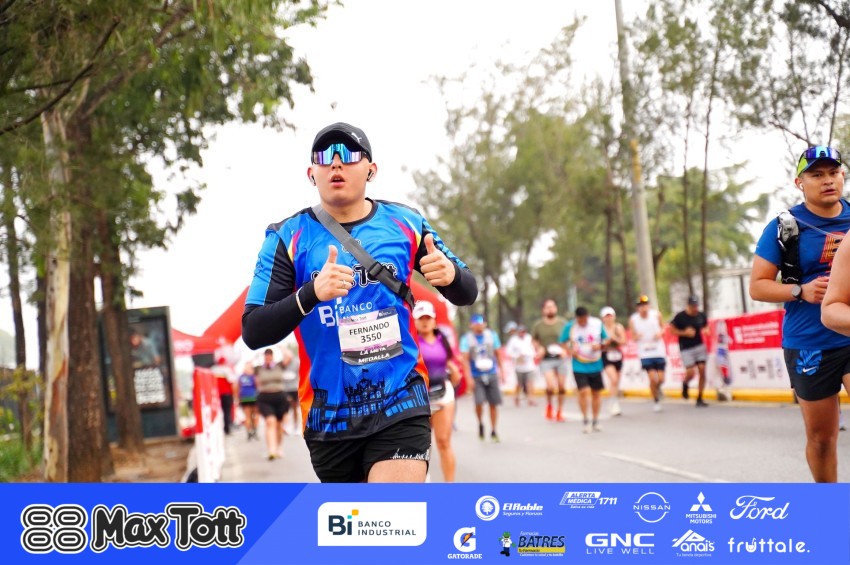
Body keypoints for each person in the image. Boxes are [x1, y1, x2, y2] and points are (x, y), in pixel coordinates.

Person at [241, 122, 478, 482]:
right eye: (324, 156)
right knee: (358, 520)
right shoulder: (286, 236)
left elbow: (468, 292)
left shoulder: (406, 222)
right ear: (311, 173)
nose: (336, 162)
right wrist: (311, 293)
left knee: (390, 511)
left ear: (371, 170)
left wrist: (452, 276)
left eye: (349, 154)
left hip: (401, 398)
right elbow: (253, 330)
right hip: (329, 415)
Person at [751, 145, 850, 482]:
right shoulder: (785, 227)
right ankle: (828, 503)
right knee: (822, 439)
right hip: (809, 342)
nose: (828, 180)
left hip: (849, 331)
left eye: (833, 173)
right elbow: (758, 286)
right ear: (799, 182)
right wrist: (800, 291)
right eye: (817, 175)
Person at [413, 300, 460, 482]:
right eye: (421, 318)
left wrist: (454, 372)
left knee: (443, 441)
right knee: (421, 445)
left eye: (428, 318)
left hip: (442, 394)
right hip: (419, 398)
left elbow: (449, 362)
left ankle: (449, 487)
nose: (425, 322)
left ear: (434, 320)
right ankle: (424, 483)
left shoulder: (442, 340)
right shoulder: (411, 342)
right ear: (415, 321)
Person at [562, 307, 607, 433]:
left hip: (595, 363)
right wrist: (570, 351)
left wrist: (600, 346)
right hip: (579, 365)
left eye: (585, 319)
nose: (582, 322)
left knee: (596, 393)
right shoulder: (570, 327)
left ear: (588, 316)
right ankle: (585, 419)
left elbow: (606, 339)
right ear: (576, 318)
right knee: (584, 391)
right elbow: (562, 342)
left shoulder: (597, 324)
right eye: (580, 320)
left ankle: (595, 420)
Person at [460, 314, 504, 442]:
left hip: (491, 373)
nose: (479, 325)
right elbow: (465, 359)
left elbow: (498, 353)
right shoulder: (466, 339)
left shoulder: (492, 335)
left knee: (493, 403)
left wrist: (502, 371)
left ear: (485, 324)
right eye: (476, 323)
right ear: (471, 325)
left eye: (481, 322)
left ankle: (494, 430)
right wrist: (468, 378)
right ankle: (480, 423)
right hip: (476, 375)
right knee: (479, 402)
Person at [531, 299, 569, 422]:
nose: (550, 309)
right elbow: (534, 340)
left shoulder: (563, 323)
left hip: (561, 358)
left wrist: (565, 350)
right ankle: (549, 405)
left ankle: (559, 411)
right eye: (548, 307)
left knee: (561, 387)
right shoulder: (538, 325)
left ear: (556, 308)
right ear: (543, 310)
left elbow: (569, 338)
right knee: (550, 386)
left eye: (552, 306)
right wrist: (539, 348)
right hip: (546, 359)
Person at [670, 295, 710, 407]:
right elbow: (672, 330)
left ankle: (700, 397)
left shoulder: (701, 315)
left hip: (699, 346)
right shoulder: (680, 317)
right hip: (686, 348)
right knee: (691, 372)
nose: (695, 308)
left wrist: (706, 330)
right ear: (688, 306)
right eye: (693, 306)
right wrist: (684, 333)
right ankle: (685, 383)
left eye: (696, 306)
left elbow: (706, 326)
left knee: (702, 369)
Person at [629, 295, 667, 412]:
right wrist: (637, 336)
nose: (644, 308)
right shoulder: (633, 320)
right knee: (652, 378)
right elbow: (633, 336)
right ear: (638, 308)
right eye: (641, 306)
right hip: (645, 353)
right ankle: (656, 400)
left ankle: (657, 389)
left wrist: (660, 334)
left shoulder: (656, 315)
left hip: (658, 350)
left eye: (645, 305)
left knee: (661, 378)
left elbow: (664, 328)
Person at [254, 348, 289, 460]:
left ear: (272, 356)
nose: (268, 358)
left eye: (270, 356)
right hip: (265, 398)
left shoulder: (279, 366)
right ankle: (271, 450)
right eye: (266, 356)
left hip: (279, 397)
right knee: (270, 422)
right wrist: (256, 354)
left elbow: (289, 357)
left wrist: (280, 347)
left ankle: (279, 447)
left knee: (278, 425)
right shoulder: (259, 368)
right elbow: (248, 367)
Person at [600, 306, 626, 416]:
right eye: (606, 316)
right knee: (613, 379)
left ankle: (613, 400)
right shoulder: (600, 328)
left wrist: (614, 338)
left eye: (610, 316)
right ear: (603, 318)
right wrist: (605, 342)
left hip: (617, 355)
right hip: (606, 355)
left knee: (616, 381)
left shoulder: (618, 327)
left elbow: (623, 341)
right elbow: (598, 343)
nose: (609, 318)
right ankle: (614, 403)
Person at [506, 323, 537, 407]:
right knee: (519, 384)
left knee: (530, 383)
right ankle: (516, 397)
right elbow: (508, 351)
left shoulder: (529, 338)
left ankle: (531, 399)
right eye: (520, 332)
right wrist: (517, 356)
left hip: (529, 365)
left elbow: (533, 349)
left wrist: (532, 355)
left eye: (523, 332)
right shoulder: (513, 340)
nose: (522, 333)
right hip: (519, 365)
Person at [210, 356, 236, 435]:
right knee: (227, 412)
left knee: (217, 412)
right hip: (226, 394)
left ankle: (218, 429)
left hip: (216, 395)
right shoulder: (227, 369)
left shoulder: (213, 370)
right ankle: (227, 429)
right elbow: (232, 381)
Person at [280, 347, 301, 436]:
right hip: (285, 389)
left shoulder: (296, 362)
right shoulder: (282, 363)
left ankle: (296, 426)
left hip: (294, 388)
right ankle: (286, 426)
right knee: (285, 408)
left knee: (295, 407)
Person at [236, 362, 259, 440]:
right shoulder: (253, 376)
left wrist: (238, 398)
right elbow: (257, 385)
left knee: (247, 416)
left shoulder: (241, 377)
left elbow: (237, 387)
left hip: (244, 397)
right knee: (255, 415)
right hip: (253, 397)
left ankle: (249, 432)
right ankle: (254, 430)